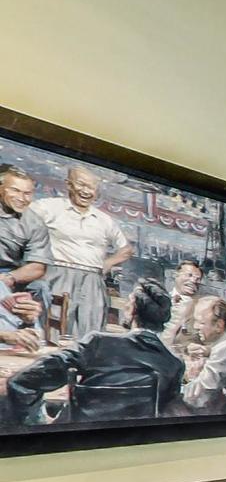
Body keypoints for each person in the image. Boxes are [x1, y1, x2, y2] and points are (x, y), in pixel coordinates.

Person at [5, 278, 183, 423]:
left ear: (132, 310)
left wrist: (40, 424)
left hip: (70, 439)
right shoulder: (174, 364)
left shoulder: (99, 343)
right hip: (133, 444)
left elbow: (23, 381)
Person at [31, 165, 133, 339]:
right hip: (58, 273)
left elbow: (126, 249)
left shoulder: (104, 220)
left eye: (91, 187)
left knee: (91, 330)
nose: (86, 191)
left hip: (93, 279)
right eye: (81, 185)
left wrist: (108, 263)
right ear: (69, 185)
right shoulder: (48, 207)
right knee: (54, 330)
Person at [0, 163, 53, 334]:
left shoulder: (34, 223)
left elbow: (38, 266)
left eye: (27, 193)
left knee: (41, 288)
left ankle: (34, 334)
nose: (22, 198)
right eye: (15, 190)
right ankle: (10, 336)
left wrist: (9, 277)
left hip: (11, 275)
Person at [160, 258, 204, 353]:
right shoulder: (161, 299)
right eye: (189, 275)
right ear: (176, 275)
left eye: (198, 279)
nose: (193, 280)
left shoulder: (202, 308)